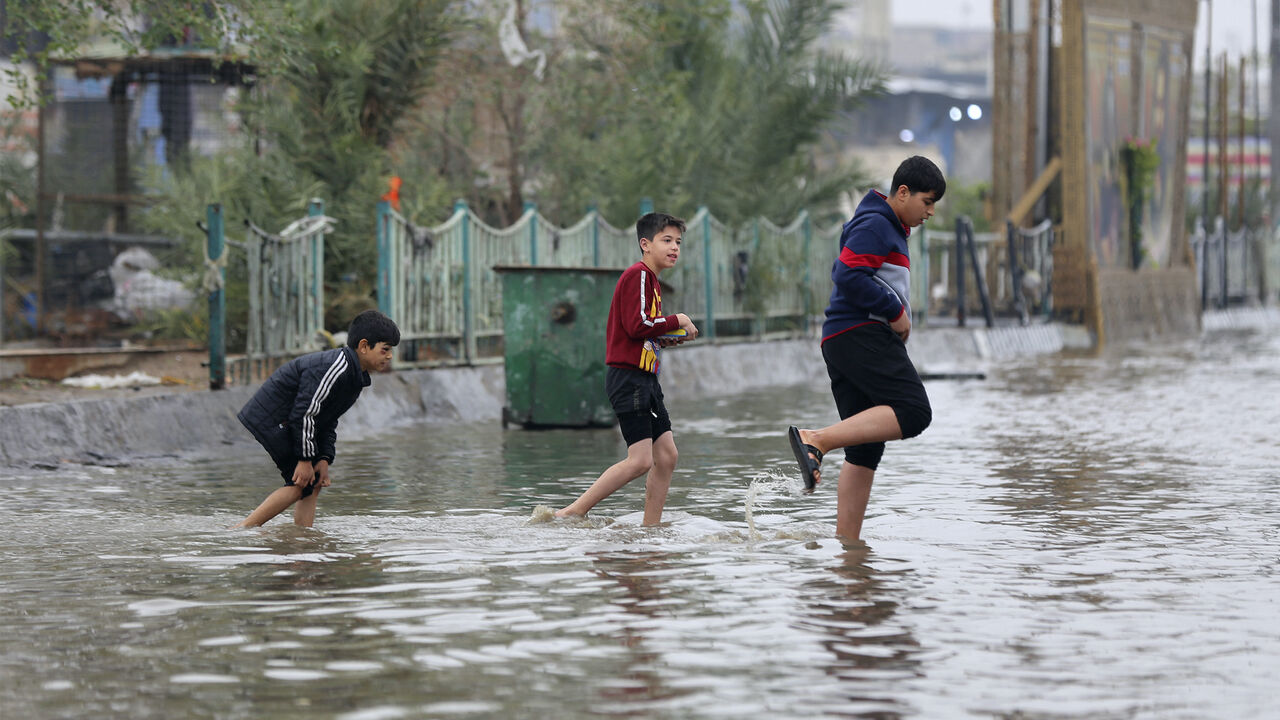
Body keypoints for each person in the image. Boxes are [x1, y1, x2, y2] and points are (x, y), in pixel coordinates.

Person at [788, 156, 944, 541]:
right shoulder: (878, 223)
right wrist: (895, 313)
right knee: (914, 411)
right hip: (860, 334)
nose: (930, 212)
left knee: (865, 450)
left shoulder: (885, 224)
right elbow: (846, 272)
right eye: (926, 201)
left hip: (843, 339)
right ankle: (816, 440)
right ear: (902, 193)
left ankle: (849, 552)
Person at [555, 212, 700, 525]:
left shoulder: (653, 282)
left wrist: (666, 338)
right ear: (645, 244)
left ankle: (651, 527)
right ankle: (572, 512)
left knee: (667, 456)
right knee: (640, 461)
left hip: (645, 378)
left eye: (678, 242)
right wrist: (680, 320)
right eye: (667, 240)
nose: (675, 247)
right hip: (629, 378)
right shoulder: (640, 275)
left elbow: (644, 331)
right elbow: (637, 325)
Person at [233, 309, 399, 528]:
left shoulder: (354, 378)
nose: (389, 356)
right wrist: (304, 460)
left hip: (290, 422)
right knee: (300, 483)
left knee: (314, 481)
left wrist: (323, 458)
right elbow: (305, 412)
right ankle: (240, 531)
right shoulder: (336, 368)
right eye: (385, 349)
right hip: (273, 419)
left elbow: (328, 419)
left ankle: (304, 538)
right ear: (364, 346)